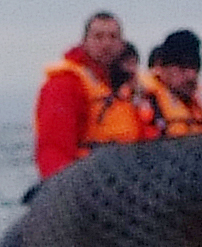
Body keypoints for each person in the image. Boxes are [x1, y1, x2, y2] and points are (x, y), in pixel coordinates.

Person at [33, 11, 149, 178]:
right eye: (98, 37)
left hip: (124, 181)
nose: (106, 44)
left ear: (122, 44)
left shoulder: (126, 89)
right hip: (85, 183)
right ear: (84, 42)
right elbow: (54, 149)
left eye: (113, 37)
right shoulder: (66, 84)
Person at [134, 29, 202, 138]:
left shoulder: (198, 104)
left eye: (196, 68)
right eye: (183, 68)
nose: (191, 76)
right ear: (162, 67)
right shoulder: (139, 97)